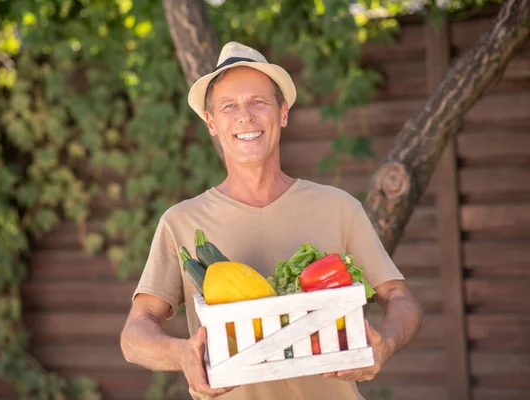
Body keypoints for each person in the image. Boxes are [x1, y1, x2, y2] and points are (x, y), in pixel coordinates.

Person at [120, 41, 423, 400]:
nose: (245, 116)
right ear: (211, 123)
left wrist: (384, 345)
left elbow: (400, 298)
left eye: (258, 102)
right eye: (229, 106)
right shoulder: (182, 222)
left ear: (283, 113)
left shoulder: (338, 208)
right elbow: (134, 335)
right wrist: (181, 354)